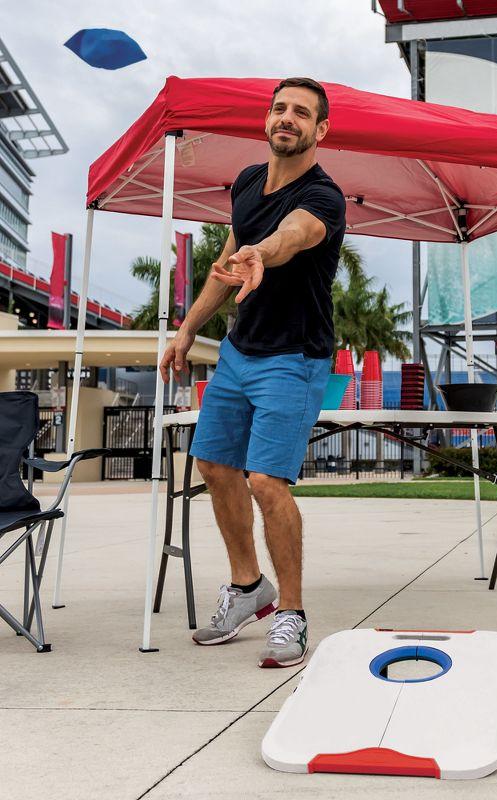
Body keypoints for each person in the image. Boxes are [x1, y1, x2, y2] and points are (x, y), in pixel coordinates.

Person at [159, 77, 346, 668]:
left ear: (320, 130)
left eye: (301, 112)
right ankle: (247, 588)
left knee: (267, 482)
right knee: (213, 464)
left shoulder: (324, 197)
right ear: (269, 120)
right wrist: (188, 330)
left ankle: (290, 612)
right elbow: (226, 262)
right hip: (241, 352)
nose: (286, 118)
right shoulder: (245, 182)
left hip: (295, 356)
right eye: (280, 108)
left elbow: (295, 236)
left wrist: (263, 253)